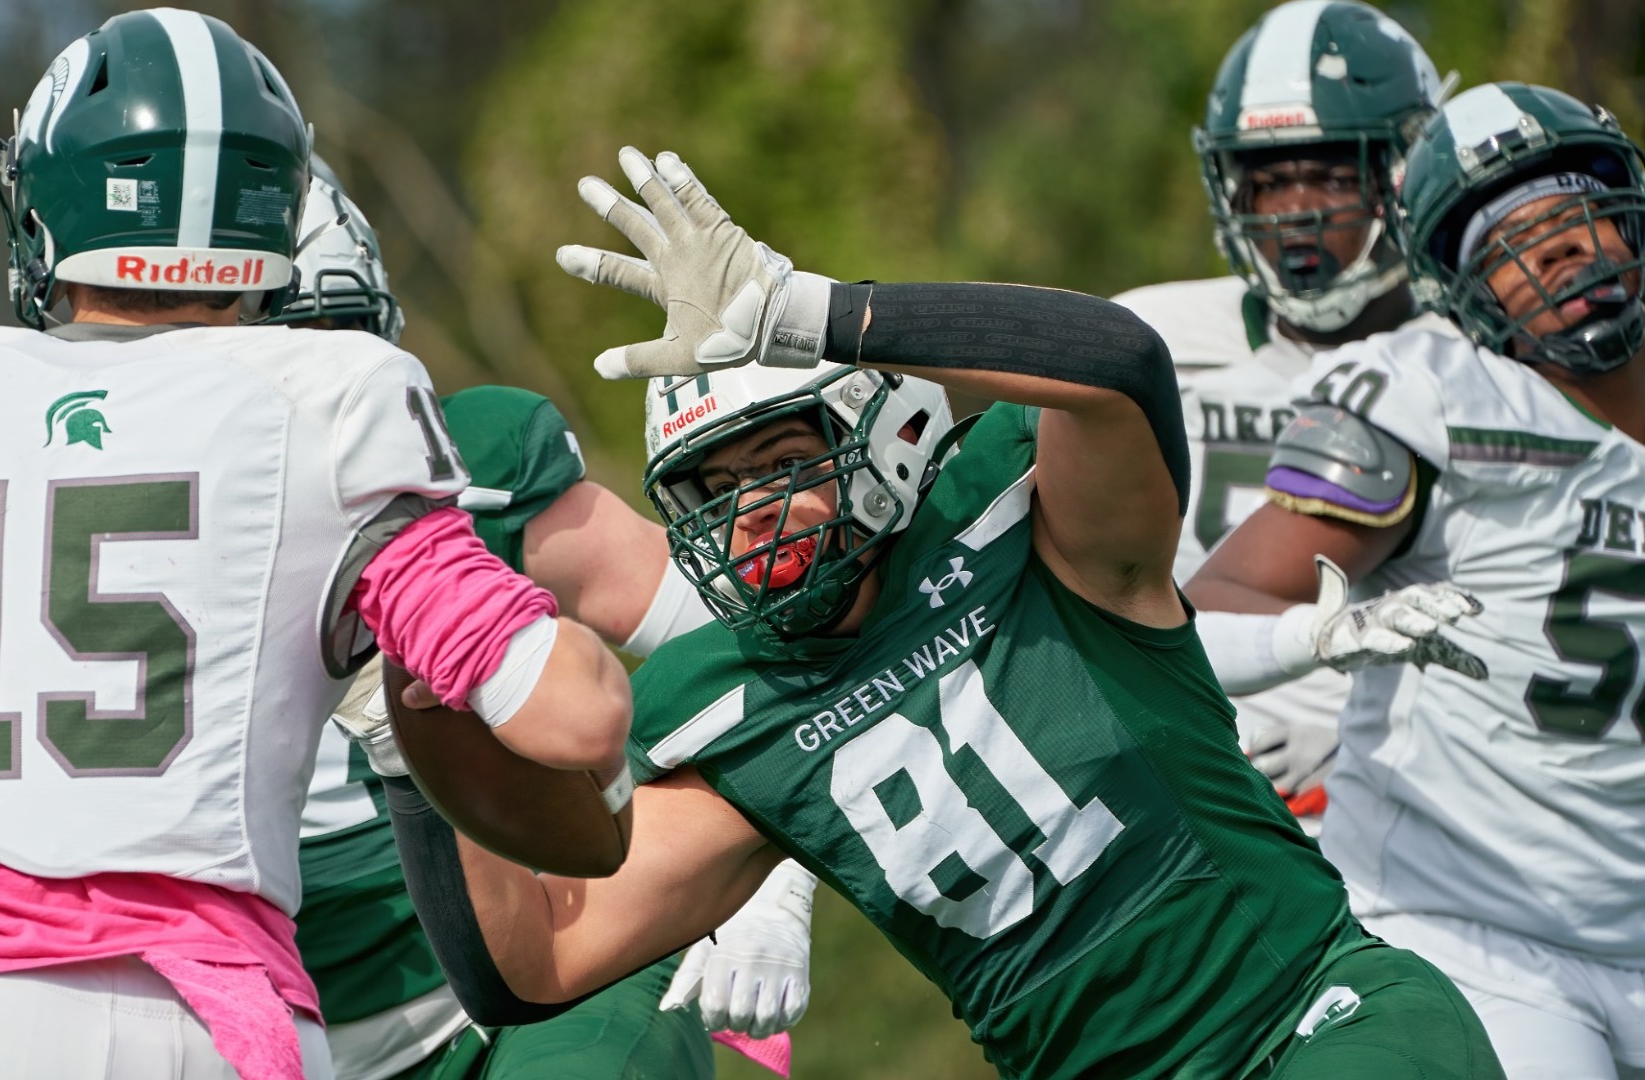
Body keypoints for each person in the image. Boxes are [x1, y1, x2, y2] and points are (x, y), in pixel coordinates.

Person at [375, 146, 1505, 1079]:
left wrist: (818, 314)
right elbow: (532, 965)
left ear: (885, 434)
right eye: (711, 492)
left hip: (1314, 1018)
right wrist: (399, 734)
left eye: (777, 461)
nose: (750, 514)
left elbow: (1114, 363)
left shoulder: (1033, 526)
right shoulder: (735, 706)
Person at [0, 12, 629, 1079]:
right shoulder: (323, 403)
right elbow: (574, 715)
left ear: (45, 202)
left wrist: (55, 827)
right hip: (214, 1021)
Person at [275, 163, 815, 1080]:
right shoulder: (67, 531)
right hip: (253, 1030)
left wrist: (771, 878)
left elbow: (756, 635)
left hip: (540, 988)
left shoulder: (464, 464)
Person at [1185, 82, 1645, 1080]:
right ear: (1466, 292)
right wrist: (1317, 645)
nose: (1560, 252)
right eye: (1511, 243)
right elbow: (1217, 601)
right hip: (1475, 925)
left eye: (1577, 217)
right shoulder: (1445, 393)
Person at [1113, 0, 1459, 827]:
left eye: (1333, 175)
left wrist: (1359, 738)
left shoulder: (1478, 365)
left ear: (1408, 174)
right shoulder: (1144, 339)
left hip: (1416, 811)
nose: (1295, 211)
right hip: (1177, 798)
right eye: (1269, 180)